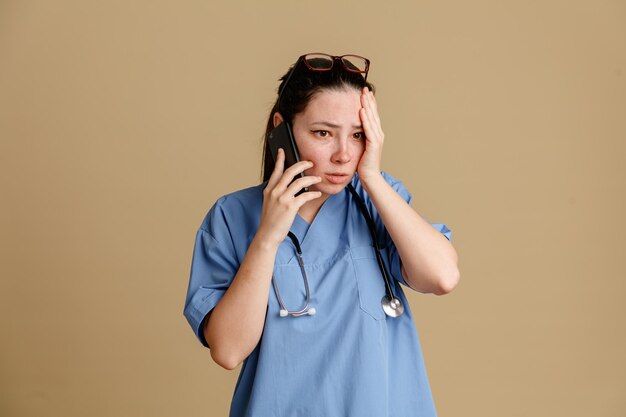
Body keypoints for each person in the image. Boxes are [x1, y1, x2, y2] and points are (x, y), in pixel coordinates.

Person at [183, 53, 460, 417]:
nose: (344, 155)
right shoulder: (233, 217)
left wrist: (373, 178)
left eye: (358, 135)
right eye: (323, 133)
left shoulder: (378, 200)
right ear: (282, 128)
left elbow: (442, 277)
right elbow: (228, 351)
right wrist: (267, 237)